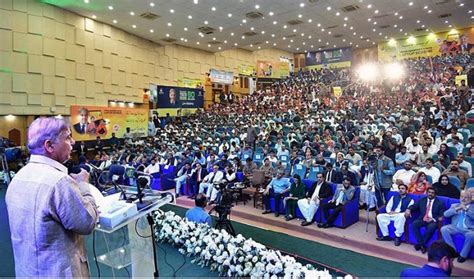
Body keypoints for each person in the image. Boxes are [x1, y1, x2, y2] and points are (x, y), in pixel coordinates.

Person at [5, 117, 99, 277]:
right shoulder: (59, 182)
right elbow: (87, 222)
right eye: (68, 137)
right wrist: (83, 185)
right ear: (49, 145)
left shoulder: (19, 177)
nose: (73, 142)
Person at [405, 187, 445, 254]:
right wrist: (408, 209)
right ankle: (422, 244)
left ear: (435, 195)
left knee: (431, 227)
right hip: (422, 219)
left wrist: (433, 219)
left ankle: (419, 245)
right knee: (414, 224)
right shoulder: (422, 200)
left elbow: (441, 215)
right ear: (426, 193)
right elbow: (414, 206)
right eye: (429, 192)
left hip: (432, 220)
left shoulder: (440, 203)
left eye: (432, 193)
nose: (430, 194)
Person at [441, 190, 474, 263]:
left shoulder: (472, 207)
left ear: (471, 198)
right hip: (455, 227)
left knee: (471, 235)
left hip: (469, 230)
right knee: (444, 229)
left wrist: (466, 209)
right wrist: (457, 209)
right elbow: (445, 214)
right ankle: (453, 251)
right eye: (462, 196)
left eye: (466, 197)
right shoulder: (454, 205)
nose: (463, 199)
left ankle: (463, 255)